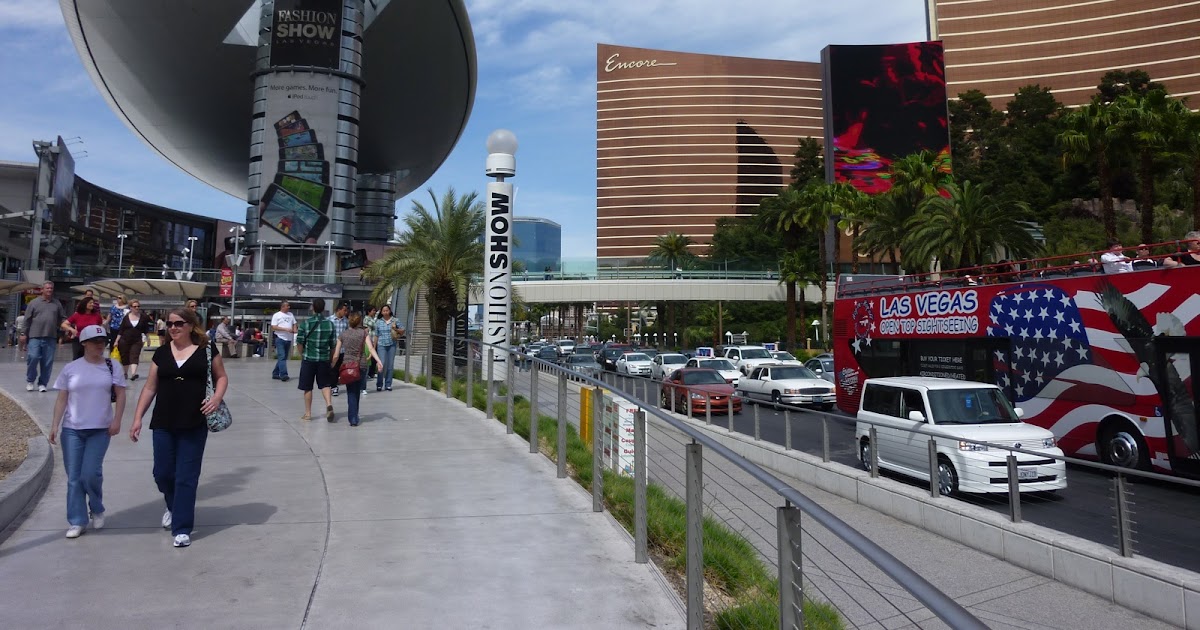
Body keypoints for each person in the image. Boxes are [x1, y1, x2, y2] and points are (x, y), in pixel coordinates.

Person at [130, 307, 227, 548]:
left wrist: (216, 398)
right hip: (163, 421)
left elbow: (221, 377)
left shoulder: (206, 350)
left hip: (194, 422)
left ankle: (182, 527)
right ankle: (173, 506)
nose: (173, 328)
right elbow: (150, 388)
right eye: (169, 324)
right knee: (162, 473)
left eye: (178, 323)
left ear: (190, 325)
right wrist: (137, 418)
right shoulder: (161, 354)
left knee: (186, 477)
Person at [48, 324, 126, 539]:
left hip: (100, 429)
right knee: (74, 477)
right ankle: (77, 520)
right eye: (95, 342)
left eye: (103, 342)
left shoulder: (113, 366)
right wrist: (55, 425)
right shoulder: (71, 368)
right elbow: (62, 397)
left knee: (90, 473)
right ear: (84, 344)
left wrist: (117, 420)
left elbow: (120, 395)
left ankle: (97, 507)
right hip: (72, 429)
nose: (100, 346)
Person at [332, 312, 383, 427]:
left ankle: (353, 418)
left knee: (351, 392)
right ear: (360, 322)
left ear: (349, 321)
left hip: (347, 366)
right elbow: (370, 348)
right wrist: (379, 361)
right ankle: (354, 416)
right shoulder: (364, 334)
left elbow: (336, 354)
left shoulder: (343, 334)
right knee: (356, 392)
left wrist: (332, 365)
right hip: (361, 365)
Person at [24, 281, 69, 392]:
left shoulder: (57, 303)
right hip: (35, 336)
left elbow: (62, 318)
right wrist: (23, 333)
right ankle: (30, 380)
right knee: (33, 358)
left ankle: (42, 383)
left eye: (51, 288)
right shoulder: (34, 303)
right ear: (42, 290)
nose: (49, 290)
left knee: (47, 362)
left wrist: (66, 329)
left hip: (50, 336)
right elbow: (27, 319)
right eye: (47, 288)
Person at [296, 298, 336, 421]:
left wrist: (302, 354)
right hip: (323, 359)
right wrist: (330, 359)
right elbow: (333, 345)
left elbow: (299, 342)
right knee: (325, 385)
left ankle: (308, 413)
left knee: (307, 387)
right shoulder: (330, 324)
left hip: (309, 359)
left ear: (313, 307)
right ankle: (329, 404)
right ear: (323, 309)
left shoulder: (305, 324)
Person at [116, 300, 153, 381]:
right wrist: (116, 341)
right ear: (130, 307)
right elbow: (121, 330)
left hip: (137, 340)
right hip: (124, 340)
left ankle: (133, 374)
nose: (137, 308)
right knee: (125, 356)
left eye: (138, 306)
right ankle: (125, 373)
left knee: (135, 355)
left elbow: (145, 329)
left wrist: (148, 338)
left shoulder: (143, 317)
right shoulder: (126, 317)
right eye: (135, 306)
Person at [374, 304, 400, 391]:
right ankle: (379, 384)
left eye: (387, 310)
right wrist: (374, 346)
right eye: (383, 311)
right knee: (382, 364)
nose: (385, 312)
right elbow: (376, 335)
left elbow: (402, 330)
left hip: (392, 344)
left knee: (390, 365)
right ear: (381, 312)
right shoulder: (378, 322)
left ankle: (388, 384)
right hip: (381, 345)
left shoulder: (395, 320)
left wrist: (396, 329)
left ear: (389, 311)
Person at [270, 300, 297, 382]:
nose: (288, 307)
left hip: (288, 339)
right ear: (282, 307)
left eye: (289, 306)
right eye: (287, 306)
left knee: (284, 357)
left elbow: (294, 323)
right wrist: (285, 329)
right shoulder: (277, 315)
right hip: (280, 338)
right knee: (282, 356)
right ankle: (284, 374)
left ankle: (275, 373)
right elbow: (273, 327)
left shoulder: (291, 314)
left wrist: (295, 329)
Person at [329, 302, 349, 396]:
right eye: (344, 310)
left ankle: (335, 382)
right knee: (333, 368)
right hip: (332, 349)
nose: (345, 312)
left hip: (343, 349)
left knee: (340, 368)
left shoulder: (346, 321)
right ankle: (333, 387)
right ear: (338, 310)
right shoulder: (329, 320)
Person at [362, 306, 378, 388]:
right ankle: (368, 373)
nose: (374, 312)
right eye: (373, 310)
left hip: (374, 340)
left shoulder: (374, 318)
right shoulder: (367, 319)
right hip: (369, 340)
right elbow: (372, 326)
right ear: (369, 311)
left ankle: (372, 372)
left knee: (374, 357)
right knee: (369, 356)